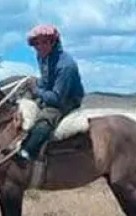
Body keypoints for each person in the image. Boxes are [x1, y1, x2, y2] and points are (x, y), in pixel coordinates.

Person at [14, 23, 85, 167]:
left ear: (54, 42)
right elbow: (47, 82)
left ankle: (27, 153)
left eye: (44, 42)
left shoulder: (65, 65)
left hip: (67, 99)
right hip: (50, 92)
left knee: (45, 120)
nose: (40, 46)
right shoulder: (42, 57)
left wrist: (36, 91)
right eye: (36, 43)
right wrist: (35, 83)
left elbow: (57, 98)